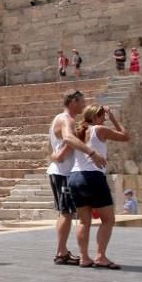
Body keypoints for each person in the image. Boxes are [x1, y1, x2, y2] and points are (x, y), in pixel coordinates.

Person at [64, 104, 129, 269]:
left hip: (75, 177)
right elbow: (125, 136)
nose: (104, 120)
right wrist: (113, 117)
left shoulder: (79, 131)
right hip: (93, 177)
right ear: (95, 117)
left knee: (83, 221)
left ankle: (84, 258)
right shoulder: (99, 129)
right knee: (108, 219)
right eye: (103, 117)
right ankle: (100, 256)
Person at [48, 90, 94, 265]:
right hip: (63, 172)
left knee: (67, 211)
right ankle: (60, 252)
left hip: (62, 170)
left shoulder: (59, 118)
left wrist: (55, 155)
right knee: (66, 212)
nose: (84, 104)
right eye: (82, 101)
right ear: (73, 102)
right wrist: (90, 152)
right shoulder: (67, 119)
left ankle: (63, 250)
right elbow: (67, 140)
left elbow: (51, 146)